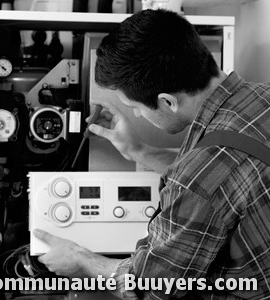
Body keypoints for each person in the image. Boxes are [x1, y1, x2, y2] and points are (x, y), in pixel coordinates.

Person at [34, 9, 270, 299]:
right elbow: (226, 180)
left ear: (167, 102)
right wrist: (138, 151)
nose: (136, 114)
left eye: (135, 107)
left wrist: (81, 260)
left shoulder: (197, 179)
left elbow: (150, 287)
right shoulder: (262, 97)